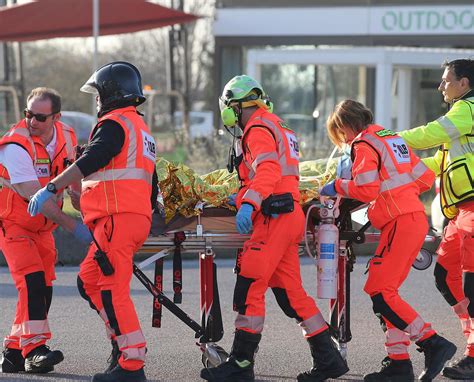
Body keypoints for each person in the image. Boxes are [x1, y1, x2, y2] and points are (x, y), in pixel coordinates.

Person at [201, 74, 349, 382]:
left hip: (272, 217)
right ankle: (329, 359)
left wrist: (248, 203)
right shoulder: (277, 124)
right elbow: (279, 176)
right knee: (292, 294)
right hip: (288, 213)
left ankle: (241, 364)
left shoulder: (257, 129)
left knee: (251, 286)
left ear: (235, 107)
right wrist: (242, 194)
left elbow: (267, 171)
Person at [27, 61, 159, 382]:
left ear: (111, 94)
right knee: (88, 282)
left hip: (117, 221)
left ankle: (131, 363)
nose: (96, 101)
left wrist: (52, 186)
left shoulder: (115, 123)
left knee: (113, 289)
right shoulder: (140, 131)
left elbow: (93, 159)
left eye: (98, 94)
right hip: (123, 220)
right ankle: (121, 343)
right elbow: (146, 185)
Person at [320, 99, 457, 381]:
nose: (344, 140)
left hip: (401, 223)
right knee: (382, 290)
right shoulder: (390, 138)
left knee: (381, 291)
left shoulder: (363, 144)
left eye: (342, 134)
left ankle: (432, 342)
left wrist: (336, 186)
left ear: (346, 126)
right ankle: (398, 361)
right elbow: (425, 176)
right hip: (411, 219)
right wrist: (396, 198)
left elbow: (367, 188)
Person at [0, 87, 91, 374]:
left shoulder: (68, 135)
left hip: (43, 229)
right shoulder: (15, 146)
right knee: (32, 284)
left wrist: (78, 196)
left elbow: (74, 168)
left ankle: (13, 350)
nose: (31, 121)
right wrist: (74, 226)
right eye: (28, 114)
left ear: (56, 117)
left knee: (44, 288)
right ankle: (35, 351)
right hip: (14, 223)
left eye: (39, 116)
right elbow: (33, 196)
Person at [398, 58, 474, 380]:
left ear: (464, 83)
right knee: (446, 278)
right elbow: (437, 163)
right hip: (461, 214)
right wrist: (398, 167)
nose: (441, 86)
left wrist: (389, 140)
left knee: (472, 286)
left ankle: (473, 357)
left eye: (446, 80)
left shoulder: (467, 110)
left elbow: (431, 133)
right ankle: (472, 347)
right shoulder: (461, 119)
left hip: (472, 210)